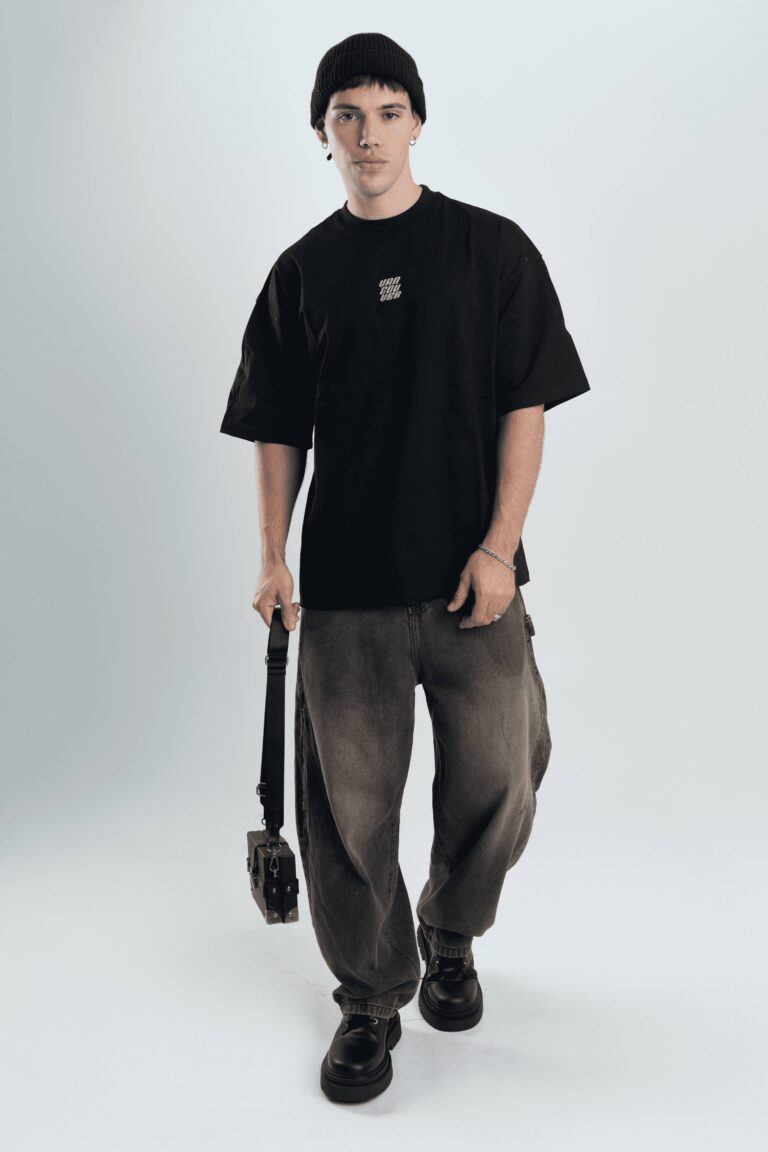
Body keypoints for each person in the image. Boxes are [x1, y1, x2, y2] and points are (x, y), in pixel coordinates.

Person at [220, 31, 591, 1104]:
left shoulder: (491, 251)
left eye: (387, 112)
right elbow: (277, 426)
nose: (368, 135)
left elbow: (526, 406)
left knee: (505, 771)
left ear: (417, 122)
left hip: (474, 583)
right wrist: (271, 557)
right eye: (347, 115)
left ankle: (451, 932)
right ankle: (372, 998)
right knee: (348, 812)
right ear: (322, 133)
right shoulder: (302, 273)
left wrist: (499, 548)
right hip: (346, 591)